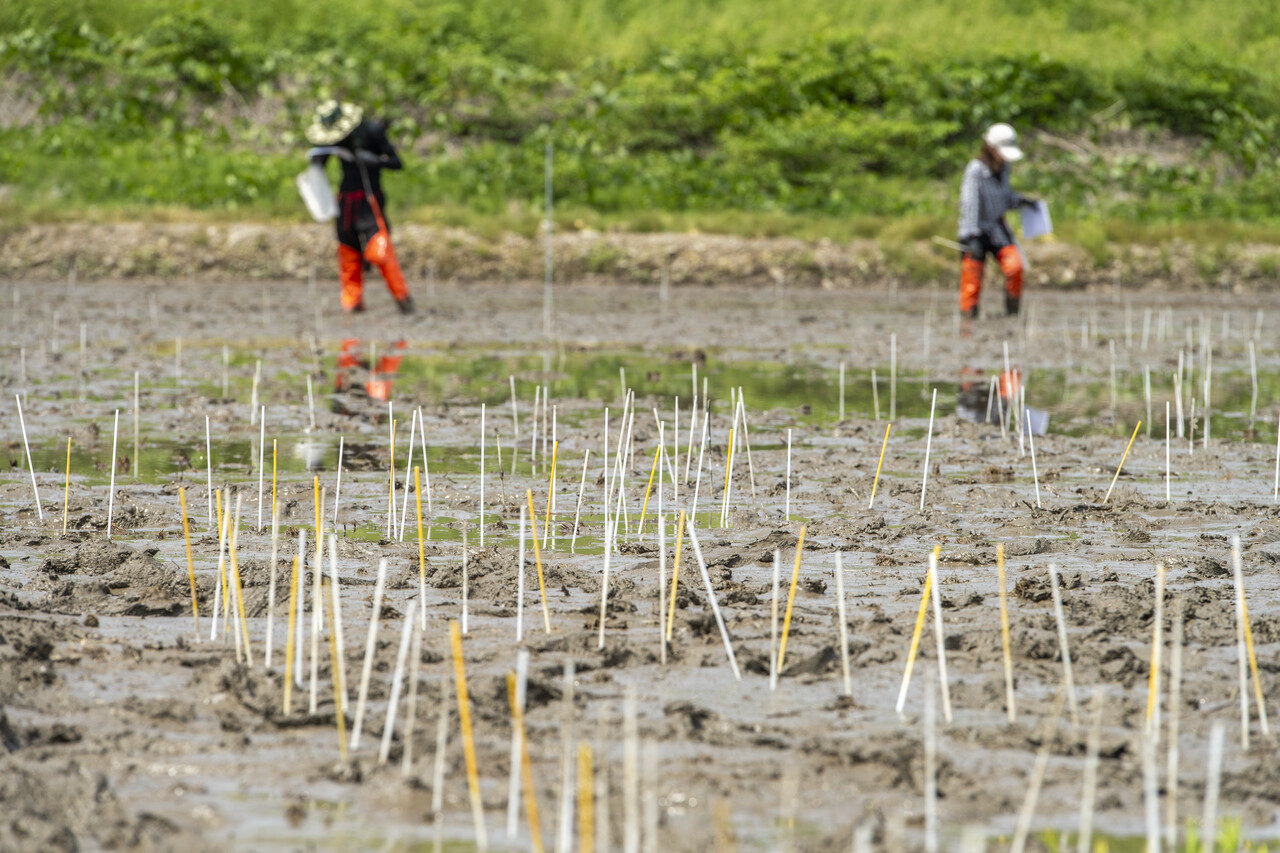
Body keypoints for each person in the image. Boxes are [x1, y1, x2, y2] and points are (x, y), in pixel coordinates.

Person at [306, 100, 414, 314]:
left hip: (370, 199)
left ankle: (403, 300)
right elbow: (321, 161)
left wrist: (374, 160)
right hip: (345, 201)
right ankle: (352, 305)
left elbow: (396, 162)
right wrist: (317, 163)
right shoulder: (332, 140)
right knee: (347, 251)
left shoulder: (371, 131)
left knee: (380, 252)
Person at [957, 122, 1036, 319]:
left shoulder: (1005, 169)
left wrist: (1022, 201)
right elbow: (969, 202)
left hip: (997, 230)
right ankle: (969, 316)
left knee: (1015, 266)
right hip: (975, 231)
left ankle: (1012, 313)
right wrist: (971, 237)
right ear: (991, 148)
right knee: (972, 276)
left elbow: (1004, 199)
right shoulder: (976, 170)